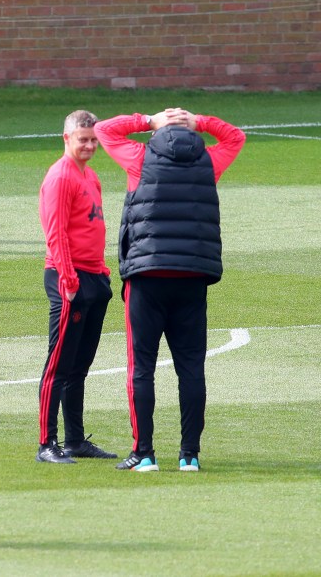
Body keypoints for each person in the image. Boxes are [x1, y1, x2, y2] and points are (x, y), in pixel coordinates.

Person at [95, 108, 246, 472]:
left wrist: (149, 119)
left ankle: (144, 453)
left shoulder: (140, 157)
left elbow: (104, 130)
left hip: (147, 277)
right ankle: (190, 455)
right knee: (191, 367)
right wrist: (203, 122)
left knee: (141, 367)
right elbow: (236, 136)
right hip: (193, 277)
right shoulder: (209, 161)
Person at [36, 111, 116, 463]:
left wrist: (102, 272)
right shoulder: (59, 177)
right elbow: (55, 234)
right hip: (68, 279)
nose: (89, 145)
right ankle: (46, 443)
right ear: (66, 138)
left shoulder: (91, 176)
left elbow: (91, 228)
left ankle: (75, 440)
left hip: (93, 277)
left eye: (94, 139)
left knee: (80, 365)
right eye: (83, 139)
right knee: (58, 364)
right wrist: (68, 280)